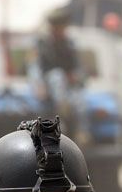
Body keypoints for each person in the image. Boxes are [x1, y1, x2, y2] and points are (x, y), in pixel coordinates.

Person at [28, 8, 89, 144]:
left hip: (68, 86)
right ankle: (61, 115)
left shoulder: (70, 45)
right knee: (57, 76)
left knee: (79, 100)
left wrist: (76, 77)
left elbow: (79, 68)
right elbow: (34, 68)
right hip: (50, 85)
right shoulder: (42, 44)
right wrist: (39, 85)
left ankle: (81, 132)